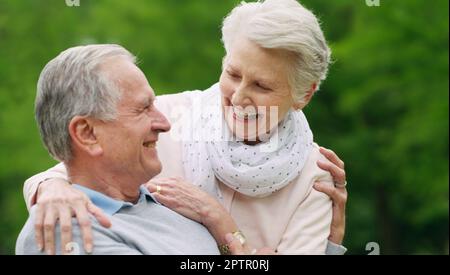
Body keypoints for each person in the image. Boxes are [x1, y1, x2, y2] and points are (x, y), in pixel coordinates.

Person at [22, 0, 348, 254]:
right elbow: (78, 163)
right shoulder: (165, 117)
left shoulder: (315, 177)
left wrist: (219, 221)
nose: (238, 96)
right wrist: (50, 188)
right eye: (233, 74)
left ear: (304, 94)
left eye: (261, 86)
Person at [16, 44, 223, 255]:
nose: (164, 124)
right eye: (143, 109)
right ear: (87, 133)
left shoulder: (176, 204)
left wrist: (221, 224)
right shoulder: (66, 230)